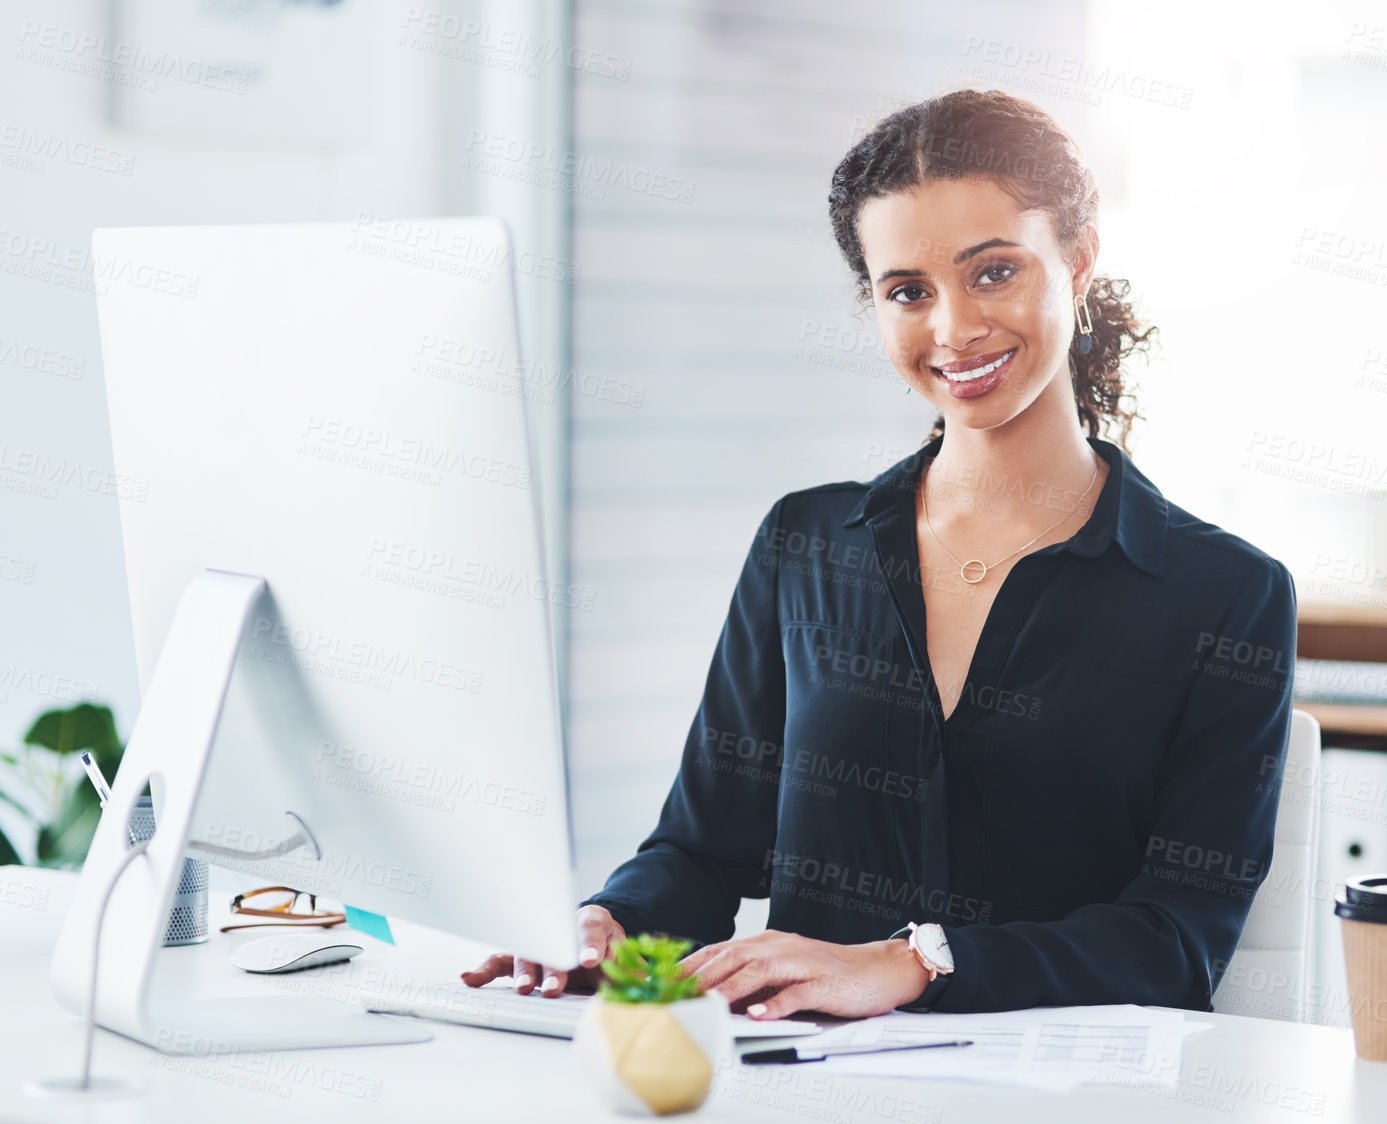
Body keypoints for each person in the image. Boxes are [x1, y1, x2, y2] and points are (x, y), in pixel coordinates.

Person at [462, 88, 1297, 1020]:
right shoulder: (803, 545)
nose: (953, 328)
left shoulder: (1224, 593)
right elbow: (702, 851)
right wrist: (609, 923)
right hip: (803, 1083)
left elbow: (1178, 942)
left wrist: (909, 965)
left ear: (1080, 260)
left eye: (992, 273)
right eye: (908, 291)